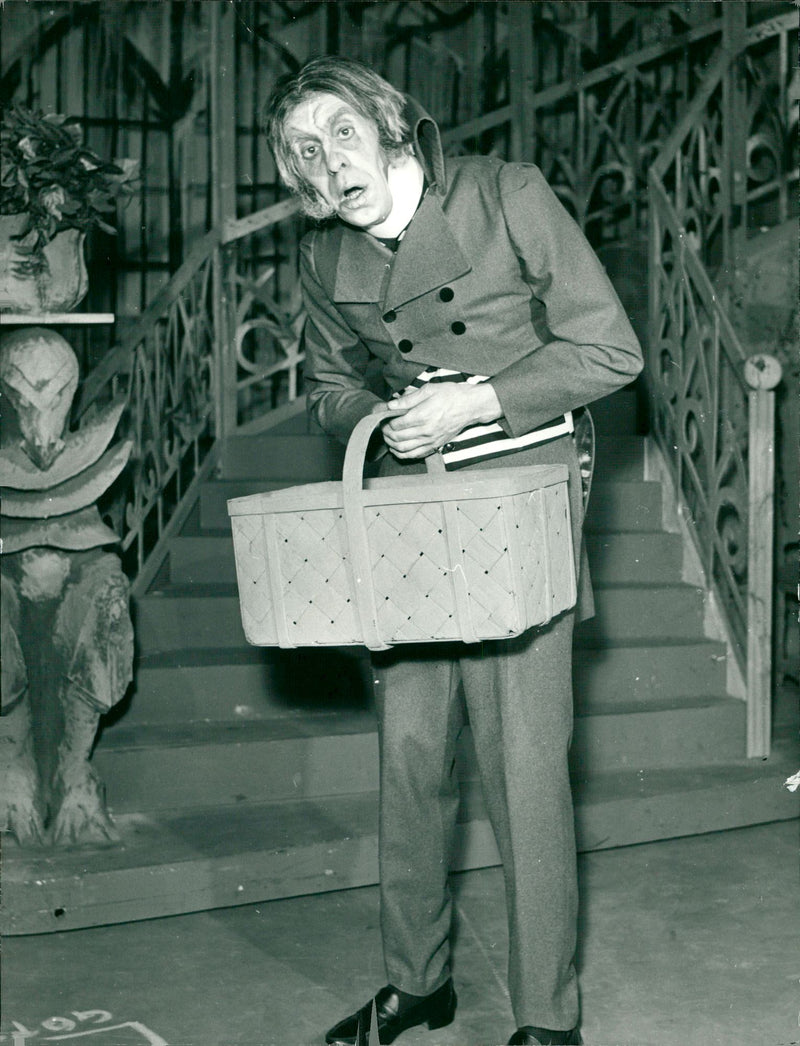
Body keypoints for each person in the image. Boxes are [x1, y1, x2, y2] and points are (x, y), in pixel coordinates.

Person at [264, 56, 643, 1046]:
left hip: (520, 494)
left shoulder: (502, 195)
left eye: (340, 131)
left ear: (388, 124)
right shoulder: (320, 257)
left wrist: (473, 397)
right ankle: (415, 980)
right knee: (411, 755)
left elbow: (610, 349)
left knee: (524, 763)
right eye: (304, 149)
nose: (327, 162)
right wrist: (383, 416)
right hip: (409, 518)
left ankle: (545, 1018)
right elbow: (328, 382)